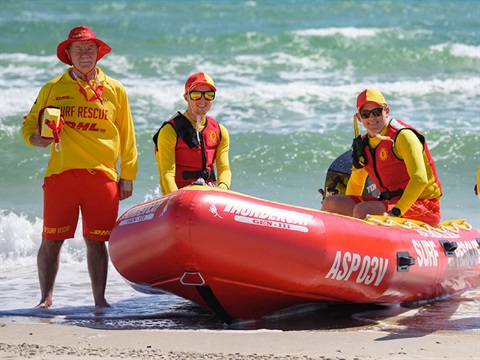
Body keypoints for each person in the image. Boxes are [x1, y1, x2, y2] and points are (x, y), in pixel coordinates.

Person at [21, 25, 138, 308]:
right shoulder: (52, 89)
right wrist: (38, 138)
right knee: (52, 239)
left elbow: (127, 134)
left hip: (103, 176)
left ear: (98, 53)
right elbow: (28, 125)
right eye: (79, 50)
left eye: (90, 49)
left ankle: (100, 300)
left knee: (97, 241)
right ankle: (45, 299)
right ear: (68, 54)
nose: (85, 55)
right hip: (62, 175)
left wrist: (128, 175)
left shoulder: (115, 90)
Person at [321, 89, 442, 227]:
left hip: (423, 206)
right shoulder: (364, 145)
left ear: (387, 111)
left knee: (362, 211)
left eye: (377, 111)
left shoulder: (403, 136)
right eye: (365, 114)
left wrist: (396, 211)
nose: (372, 118)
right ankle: (331, 244)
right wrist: (347, 212)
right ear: (359, 118)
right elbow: (356, 184)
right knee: (331, 203)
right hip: (389, 203)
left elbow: (419, 179)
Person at [153, 72, 231, 195]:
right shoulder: (169, 131)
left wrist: (222, 189)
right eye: (196, 95)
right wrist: (176, 199)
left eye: (209, 95)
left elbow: (225, 169)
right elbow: (167, 174)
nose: (203, 99)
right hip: (178, 197)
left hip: (208, 197)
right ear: (186, 97)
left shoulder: (220, 131)